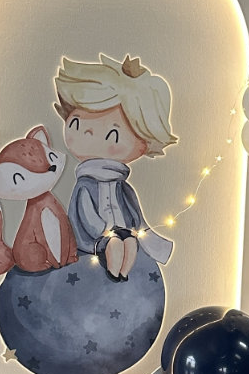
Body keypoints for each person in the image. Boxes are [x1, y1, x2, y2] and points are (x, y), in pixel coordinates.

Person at [54, 53, 177, 282]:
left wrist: (138, 231)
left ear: (143, 145)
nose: (88, 133)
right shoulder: (85, 184)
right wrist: (102, 232)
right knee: (114, 244)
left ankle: (121, 276)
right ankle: (112, 272)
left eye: (113, 134)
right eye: (77, 123)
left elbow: (135, 213)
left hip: (123, 232)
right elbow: (84, 214)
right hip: (94, 238)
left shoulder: (123, 187)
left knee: (129, 242)